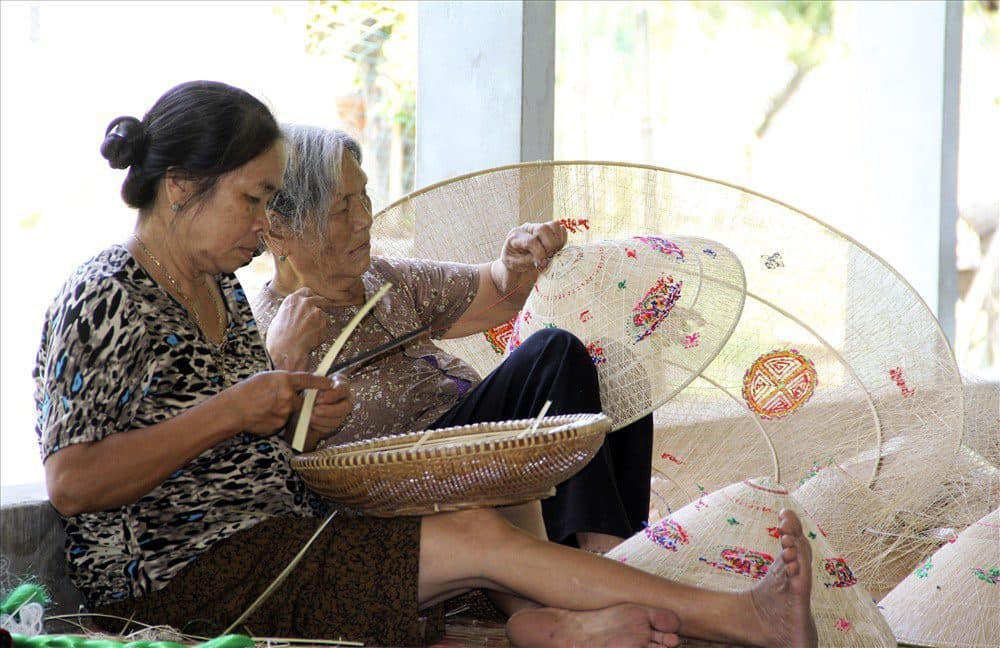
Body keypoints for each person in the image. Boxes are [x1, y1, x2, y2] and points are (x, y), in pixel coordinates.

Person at [35, 80, 817, 648]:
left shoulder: (219, 291)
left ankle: (616, 617)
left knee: (485, 514)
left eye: (273, 199)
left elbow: (251, 438)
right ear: (180, 188)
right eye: (253, 199)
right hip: (189, 576)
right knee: (475, 532)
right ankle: (733, 619)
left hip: (274, 538)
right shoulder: (104, 297)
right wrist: (245, 405)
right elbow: (72, 483)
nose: (265, 223)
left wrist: (291, 411)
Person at [255, 124, 653, 555]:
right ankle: (602, 554)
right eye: (341, 208)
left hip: (472, 447)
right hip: (411, 477)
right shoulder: (269, 329)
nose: (364, 219)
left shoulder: (386, 280)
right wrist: (284, 357)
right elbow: (270, 459)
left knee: (614, 365)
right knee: (552, 352)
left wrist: (516, 259)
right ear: (278, 230)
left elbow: (498, 292)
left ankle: (617, 545)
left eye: (364, 197)